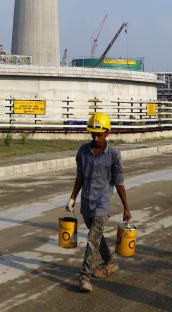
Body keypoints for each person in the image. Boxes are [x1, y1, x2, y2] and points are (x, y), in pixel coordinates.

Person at [65, 112, 132, 293]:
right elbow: (79, 177)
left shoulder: (114, 156)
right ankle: (109, 262)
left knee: (91, 240)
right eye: (92, 134)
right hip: (86, 203)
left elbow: (119, 183)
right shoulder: (82, 152)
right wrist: (72, 198)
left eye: (99, 135)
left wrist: (126, 208)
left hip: (102, 204)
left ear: (108, 133)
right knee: (97, 237)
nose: (95, 138)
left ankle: (84, 276)